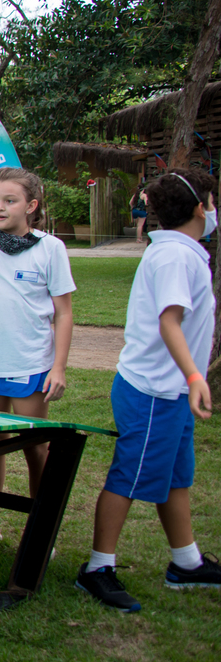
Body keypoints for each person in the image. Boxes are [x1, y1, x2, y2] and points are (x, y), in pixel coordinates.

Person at [75, 168, 219, 612]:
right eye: (213, 202)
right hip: (155, 391)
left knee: (177, 478)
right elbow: (169, 321)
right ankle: (97, 568)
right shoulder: (176, 257)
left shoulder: (181, 252)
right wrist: (196, 376)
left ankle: (186, 563)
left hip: (169, 391)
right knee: (129, 477)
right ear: (201, 208)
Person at [0, 167, 75, 546]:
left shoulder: (51, 248)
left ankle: (42, 532)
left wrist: (58, 367)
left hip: (31, 366)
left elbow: (64, 313)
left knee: (34, 446)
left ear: (32, 205)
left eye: (10, 200)